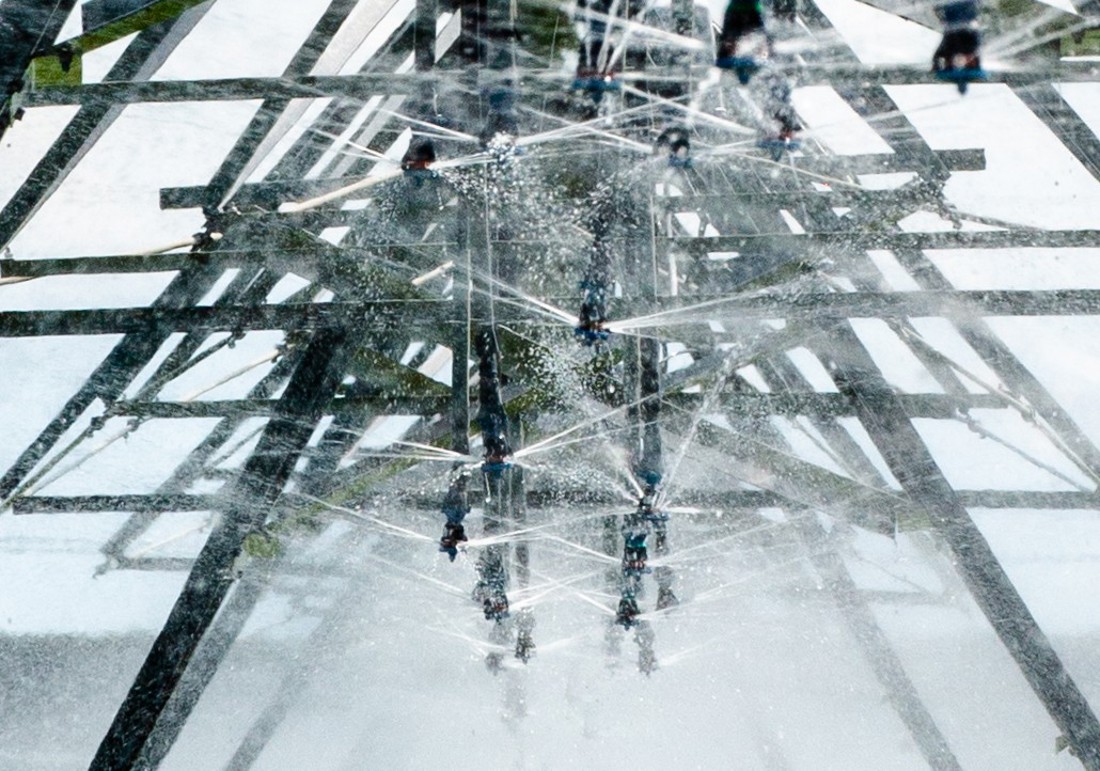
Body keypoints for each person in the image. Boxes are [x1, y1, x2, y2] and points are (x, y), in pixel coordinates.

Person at [933, 0, 981, 75]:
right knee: (970, 53)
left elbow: (937, 9)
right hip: (967, 30)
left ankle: (947, 67)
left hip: (955, 32)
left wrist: (942, 19)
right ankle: (973, 67)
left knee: (940, 57)